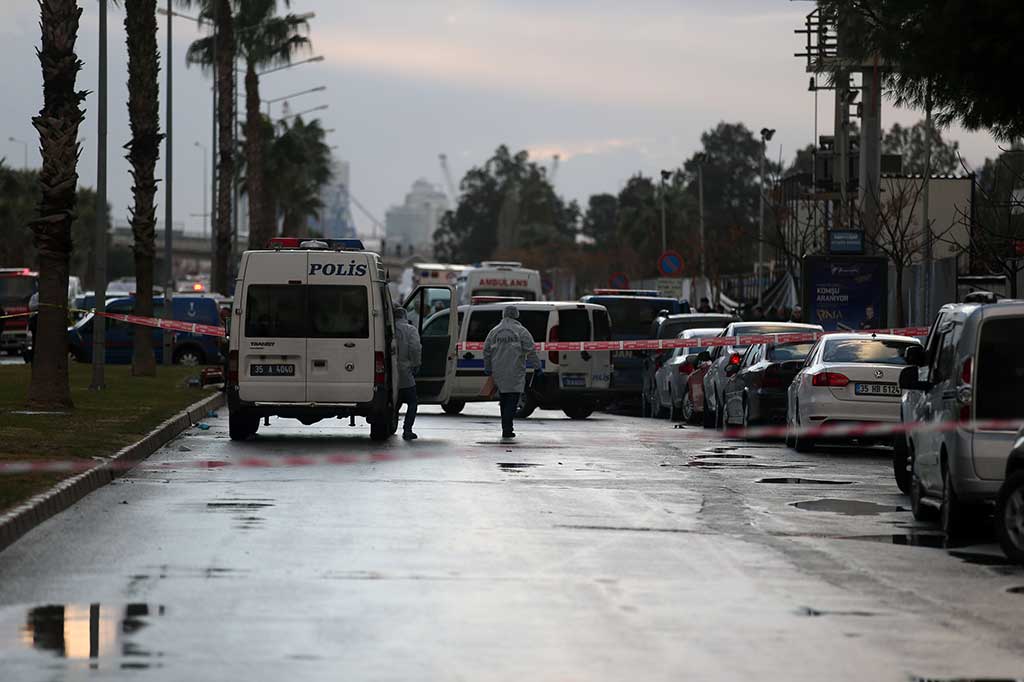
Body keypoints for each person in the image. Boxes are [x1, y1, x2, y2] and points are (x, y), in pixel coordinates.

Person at [483, 305, 541, 440]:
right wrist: (537, 367)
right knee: (512, 400)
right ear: (516, 315)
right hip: (515, 371)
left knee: (503, 400)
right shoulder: (521, 331)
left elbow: (486, 350)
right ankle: (508, 428)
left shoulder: (494, 332)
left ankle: (506, 427)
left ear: (504, 315)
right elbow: (531, 350)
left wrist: (488, 367)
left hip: (498, 371)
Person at [394, 308, 422, 440]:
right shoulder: (410, 330)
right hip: (405, 370)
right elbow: (415, 348)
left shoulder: (387, 329)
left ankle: (389, 424)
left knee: (394, 401)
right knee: (412, 401)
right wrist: (416, 364)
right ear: (405, 316)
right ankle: (407, 429)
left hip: (388, 371)